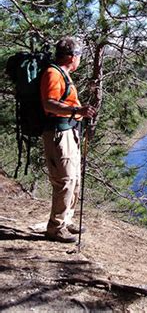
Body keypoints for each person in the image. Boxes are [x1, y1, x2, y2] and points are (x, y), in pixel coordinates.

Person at [40, 37, 95, 243]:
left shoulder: (63, 74)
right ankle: (55, 228)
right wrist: (77, 110)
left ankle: (66, 220)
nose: (79, 60)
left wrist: (79, 113)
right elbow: (49, 105)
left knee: (74, 179)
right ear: (72, 57)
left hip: (69, 132)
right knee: (65, 180)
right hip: (58, 134)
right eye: (79, 56)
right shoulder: (53, 73)